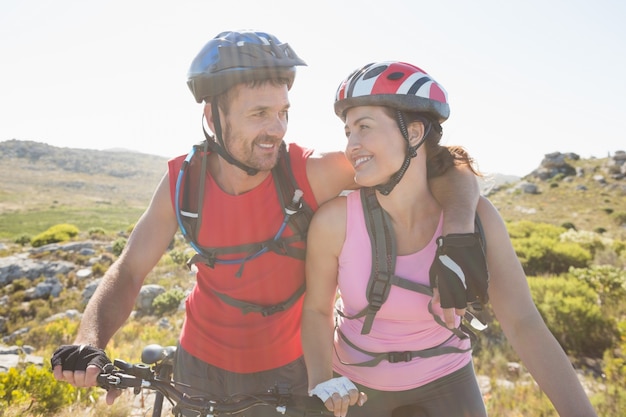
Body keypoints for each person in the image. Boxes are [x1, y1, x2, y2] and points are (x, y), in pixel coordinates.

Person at [50, 32, 483, 417]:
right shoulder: (183, 183)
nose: (276, 129)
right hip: (198, 367)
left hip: (292, 370)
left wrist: (460, 231)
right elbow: (128, 271)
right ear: (213, 116)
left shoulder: (308, 172)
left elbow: (440, 163)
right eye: (259, 113)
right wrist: (90, 341)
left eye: (283, 112)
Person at [301, 61, 599, 417]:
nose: (352, 145)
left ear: (412, 134)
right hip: (356, 384)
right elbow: (317, 310)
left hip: (447, 379)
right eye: (348, 131)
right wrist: (323, 382)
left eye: (363, 127)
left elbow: (523, 322)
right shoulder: (335, 220)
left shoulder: (478, 218)